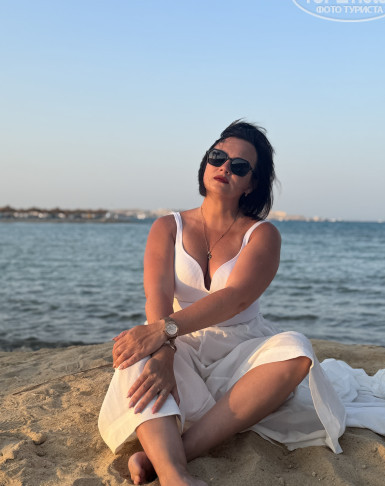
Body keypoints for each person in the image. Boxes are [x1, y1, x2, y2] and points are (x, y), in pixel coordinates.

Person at [98, 121, 346, 485]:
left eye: (240, 166)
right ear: (206, 163)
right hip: (180, 343)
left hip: (241, 348)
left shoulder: (262, 234)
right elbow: (158, 296)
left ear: (252, 184)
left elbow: (235, 298)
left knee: (296, 351)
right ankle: (175, 476)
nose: (225, 167)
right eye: (218, 157)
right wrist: (164, 349)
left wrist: (164, 331)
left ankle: (167, 456)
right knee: (135, 353)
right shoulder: (168, 226)